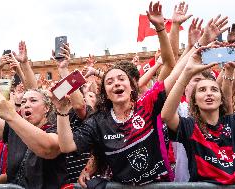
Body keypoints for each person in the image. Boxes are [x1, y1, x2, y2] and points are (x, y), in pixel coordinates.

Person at [57, 2, 182, 185]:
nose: (116, 83)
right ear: (105, 94)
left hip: (161, 184)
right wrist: (63, 78)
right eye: (109, 81)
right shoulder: (99, 121)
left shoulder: (148, 103)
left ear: (133, 86)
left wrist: (162, 29)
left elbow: (172, 66)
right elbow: (67, 145)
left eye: (121, 79)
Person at [161, 44, 235, 184]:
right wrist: (187, 72)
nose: (209, 93)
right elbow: (166, 116)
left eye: (214, 89)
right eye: (202, 90)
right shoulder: (190, 127)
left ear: (221, 99)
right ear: (194, 101)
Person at [0, 89, 68, 188]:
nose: (26, 105)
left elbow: (48, 148)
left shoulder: (57, 129)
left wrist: (11, 115)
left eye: (33, 101)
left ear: (46, 108)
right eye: (23, 102)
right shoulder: (15, 129)